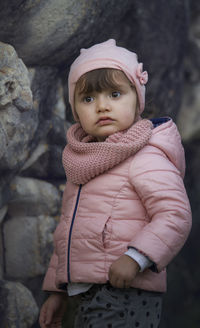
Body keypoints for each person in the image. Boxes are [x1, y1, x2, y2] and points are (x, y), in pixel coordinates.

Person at [39, 39, 192, 328]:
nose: (102, 106)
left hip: (125, 290)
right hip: (84, 292)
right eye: (87, 99)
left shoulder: (146, 156)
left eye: (115, 94)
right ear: (75, 110)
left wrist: (137, 257)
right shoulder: (82, 162)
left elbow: (175, 215)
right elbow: (68, 231)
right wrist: (56, 290)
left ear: (137, 100)